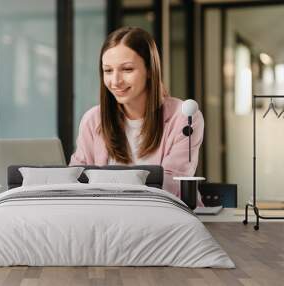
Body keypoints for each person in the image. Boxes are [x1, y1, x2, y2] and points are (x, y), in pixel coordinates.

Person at [69, 26, 204, 205]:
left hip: (166, 215)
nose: (115, 81)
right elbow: (74, 178)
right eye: (108, 71)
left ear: (149, 70)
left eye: (127, 69)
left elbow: (173, 185)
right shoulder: (93, 119)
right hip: (106, 217)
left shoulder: (184, 116)